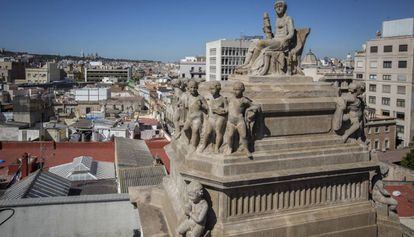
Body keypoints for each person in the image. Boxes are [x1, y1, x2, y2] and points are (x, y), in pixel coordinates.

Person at [236, 0, 294, 73]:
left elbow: (291, 33)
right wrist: (267, 32)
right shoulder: (277, 20)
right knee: (254, 43)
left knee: (260, 43)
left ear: (285, 8)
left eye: (280, 6)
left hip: (281, 42)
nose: (278, 8)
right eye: (276, 7)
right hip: (275, 41)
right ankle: (247, 63)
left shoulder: (288, 19)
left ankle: (252, 64)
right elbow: (275, 35)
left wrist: (285, 39)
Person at [224, 82, 257, 157]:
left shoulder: (244, 100)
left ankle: (246, 149)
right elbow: (226, 106)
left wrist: (251, 111)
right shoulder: (229, 98)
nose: (235, 91)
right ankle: (230, 147)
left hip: (240, 120)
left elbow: (254, 106)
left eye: (238, 90)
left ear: (242, 90)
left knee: (244, 135)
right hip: (231, 121)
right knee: (230, 135)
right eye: (234, 90)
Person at [198, 81, 228, 153]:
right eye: (210, 89)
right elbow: (207, 108)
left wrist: (220, 111)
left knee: (218, 132)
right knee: (207, 132)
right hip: (211, 118)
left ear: (218, 89)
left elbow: (227, 109)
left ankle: (216, 147)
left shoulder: (222, 99)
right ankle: (204, 145)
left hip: (219, 118)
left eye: (213, 89)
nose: (211, 91)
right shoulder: (209, 98)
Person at [179, 80, 208, 149]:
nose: (193, 89)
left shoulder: (200, 97)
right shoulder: (188, 97)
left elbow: (206, 106)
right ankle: (189, 139)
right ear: (188, 89)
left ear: (197, 88)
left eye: (194, 87)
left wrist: (201, 106)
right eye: (191, 88)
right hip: (190, 117)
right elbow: (186, 107)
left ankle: (194, 145)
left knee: (195, 131)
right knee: (185, 129)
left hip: (197, 117)